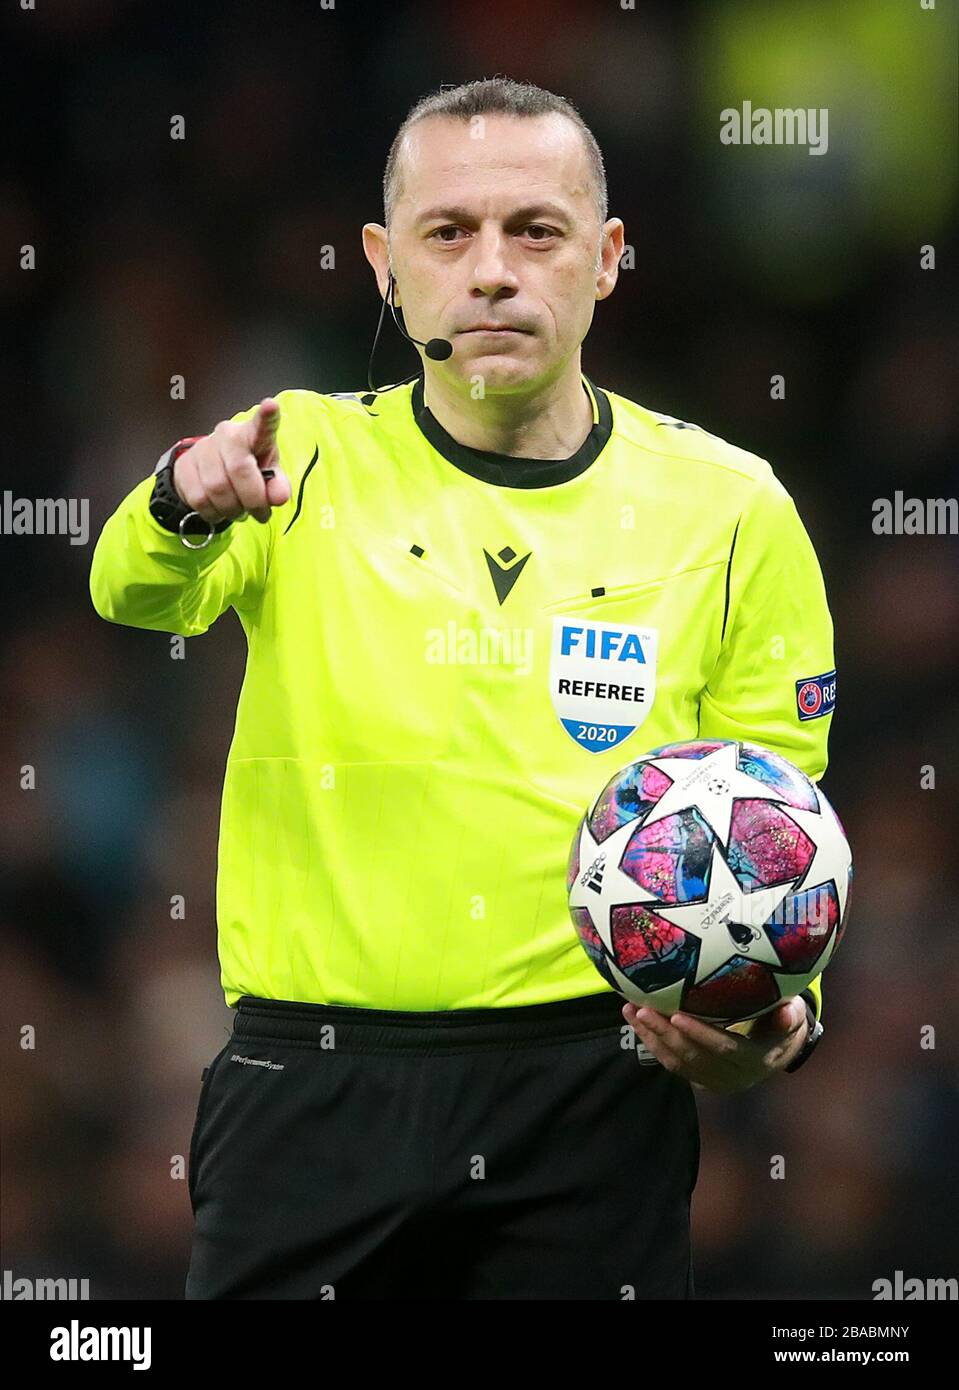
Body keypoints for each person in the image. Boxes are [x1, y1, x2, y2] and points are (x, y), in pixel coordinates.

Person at [88, 78, 834, 1300]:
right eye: (449, 233)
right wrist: (181, 498)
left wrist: (773, 1023)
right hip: (310, 1087)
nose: (491, 270)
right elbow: (133, 590)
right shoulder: (296, 450)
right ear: (385, 266)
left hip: (596, 1089)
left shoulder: (733, 506)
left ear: (605, 259)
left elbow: (778, 822)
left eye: (533, 231)